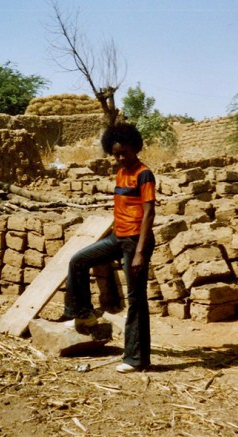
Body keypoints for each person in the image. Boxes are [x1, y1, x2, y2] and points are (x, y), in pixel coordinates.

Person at [63, 122, 156, 373]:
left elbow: (149, 214)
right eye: (115, 153)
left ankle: (137, 359)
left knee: (136, 300)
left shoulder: (144, 173)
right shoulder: (120, 173)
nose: (120, 157)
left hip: (137, 242)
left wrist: (139, 253)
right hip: (118, 237)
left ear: (135, 148)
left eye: (124, 152)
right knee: (78, 260)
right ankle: (83, 313)